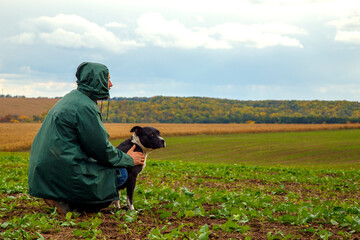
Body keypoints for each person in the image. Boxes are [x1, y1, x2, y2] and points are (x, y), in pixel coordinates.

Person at [28, 62, 145, 214]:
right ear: (97, 80)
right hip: (63, 169)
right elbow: (101, 149)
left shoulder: (73, 98)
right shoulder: (85, 107)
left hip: (49, 170)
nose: (111, 84)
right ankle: (68, 203)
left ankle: (58, 196)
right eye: (107, 79)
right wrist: (129, 159)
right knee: (121, 173)